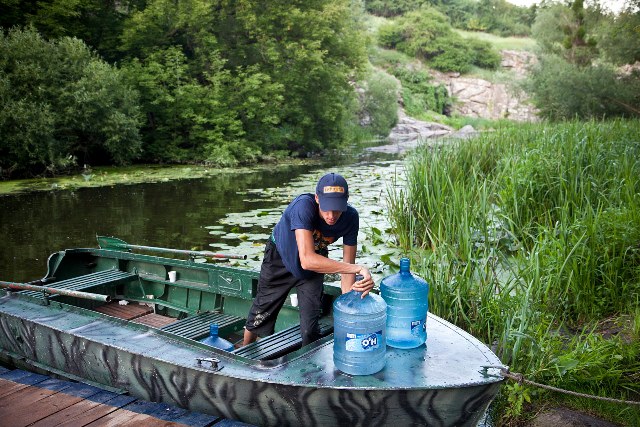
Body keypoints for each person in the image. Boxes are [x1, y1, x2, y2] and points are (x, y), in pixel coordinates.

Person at [242, 172, 374, 347]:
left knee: (310, 329)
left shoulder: (351, 218)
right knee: (260, 316)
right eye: (327, 208)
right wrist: (358, 268)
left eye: (337, 208)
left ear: (346, 201)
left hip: (314, 266)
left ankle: (308, 365)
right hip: (280, 259)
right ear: (317, 198)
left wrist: (350, 303)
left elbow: (347, 269)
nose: (331, 215)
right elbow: (307, 260)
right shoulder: (303, 206)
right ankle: (244, 349)